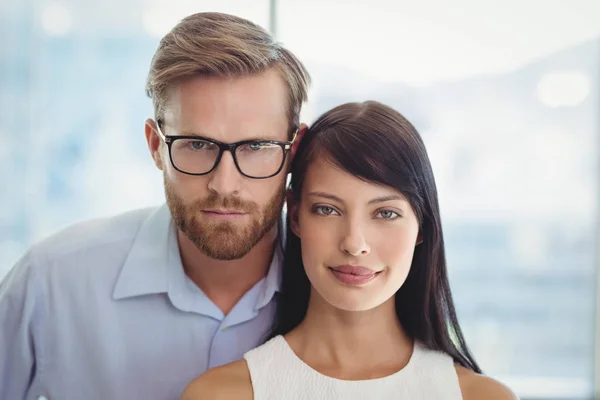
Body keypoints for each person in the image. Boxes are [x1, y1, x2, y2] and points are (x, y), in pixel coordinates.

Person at [0, 12, 310, 400]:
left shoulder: (341, 291)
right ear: (154, 145)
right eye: (197, 145)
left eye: (256, 147)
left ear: (293, 150)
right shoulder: (51, 283)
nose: (225, 184)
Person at [181, 101, 518, 400]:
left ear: (422, 226)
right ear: (295, 216)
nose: (355, 244)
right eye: (328, 210)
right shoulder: (219, 395)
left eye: (386, 214)